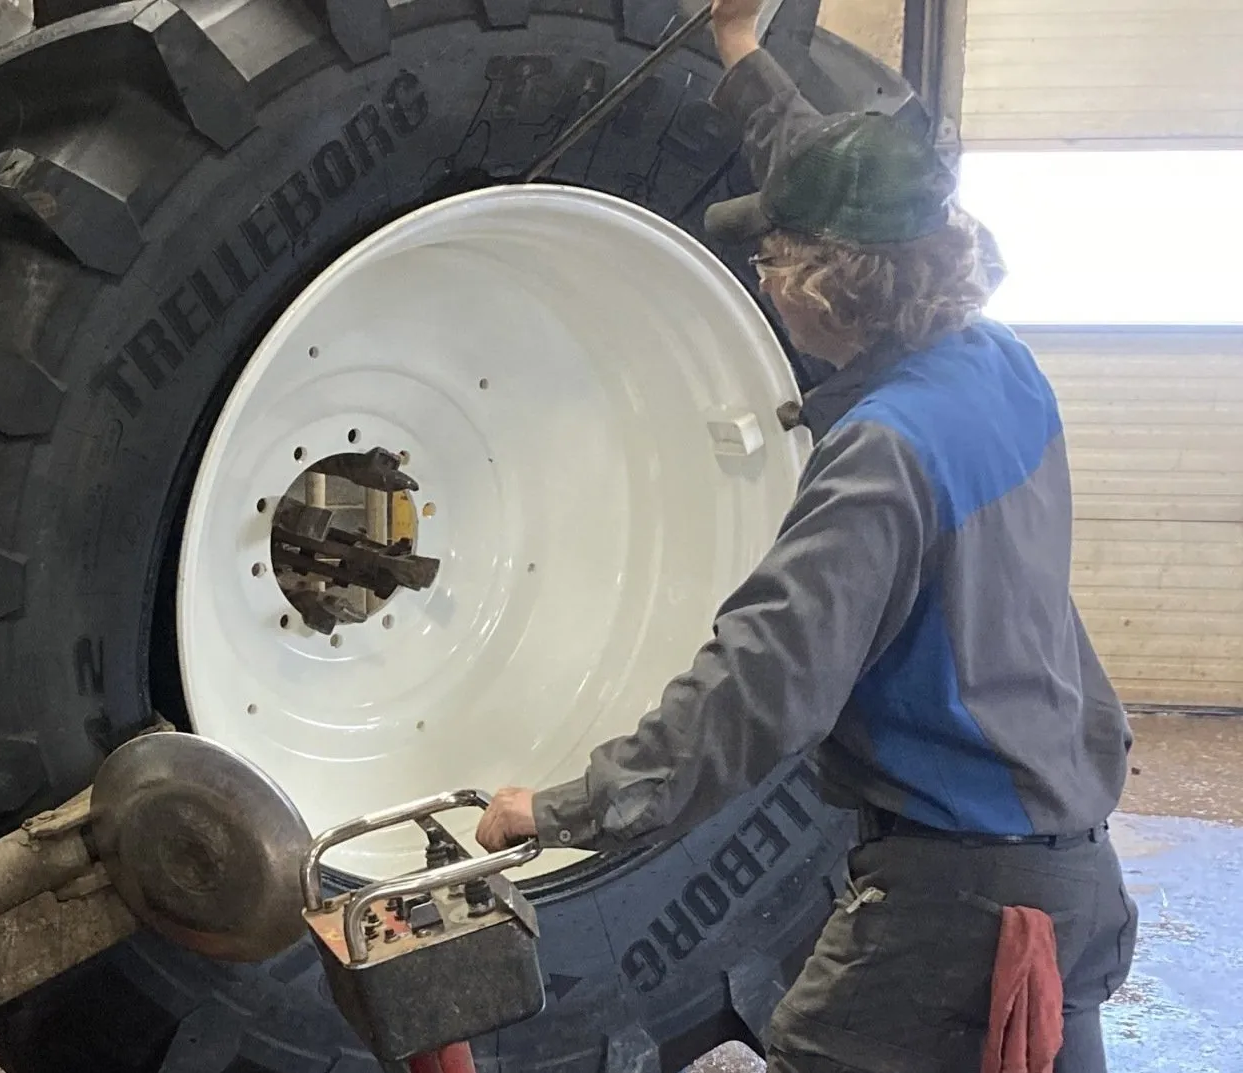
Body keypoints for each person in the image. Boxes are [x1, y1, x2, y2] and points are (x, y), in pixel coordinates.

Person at [473, 2, 1137, 1070]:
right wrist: (740, 51)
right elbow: (849, 192)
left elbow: (757, 692)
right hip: (1075, 881)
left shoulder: (881, 458)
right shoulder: (997, 362)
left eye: (774, 261)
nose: (765, 282)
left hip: (952, 913)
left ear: (824, 286)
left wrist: (558, 806)